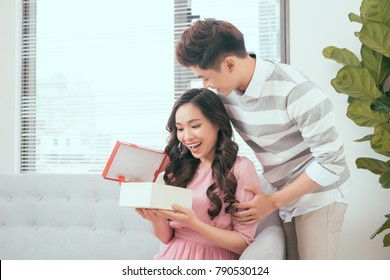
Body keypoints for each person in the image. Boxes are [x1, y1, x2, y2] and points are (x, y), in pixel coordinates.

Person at [174, 18, 350, 260]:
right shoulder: (225, 94)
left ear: (229, 64)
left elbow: (332, 163)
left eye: (205, 77)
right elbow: (197, 129)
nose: (206, 85)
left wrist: (273, 202)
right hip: (283, 195)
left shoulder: (296, 91)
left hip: (319, 195)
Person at [136, 88, 261, 260]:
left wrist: (194, 223)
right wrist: (155, 218)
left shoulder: (240, 168)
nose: (187, 137)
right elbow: (167, 238)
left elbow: (243, 243)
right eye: (180, 129)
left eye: (195, 126)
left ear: (217, 123)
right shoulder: (179, 170)